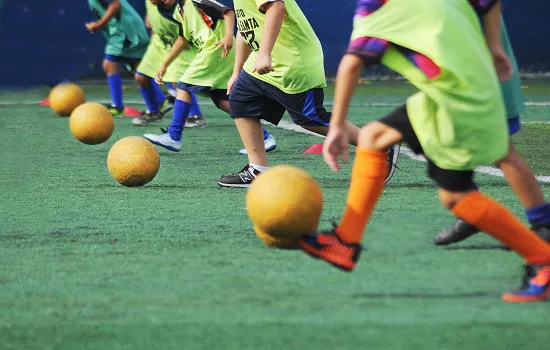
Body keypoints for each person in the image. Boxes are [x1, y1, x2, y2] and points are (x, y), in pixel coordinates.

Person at [299, 0, 550, 302]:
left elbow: (353, 63)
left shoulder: (375, 5)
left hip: (458, 102)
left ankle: (543, 260)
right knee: (373, 137)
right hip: (459, 90)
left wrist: (336, 126)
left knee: (456, 197)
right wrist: (495, 47)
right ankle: (345, 242)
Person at [215, 0, 373, 188]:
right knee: (240, 99)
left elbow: (277, 7)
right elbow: (245, 27)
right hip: (266, 61)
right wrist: (236, 72)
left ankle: (376, 144)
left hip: (293, 60)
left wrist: (265, 53)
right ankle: (257, 169)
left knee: (310, 119)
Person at [433, 15, 550, 246]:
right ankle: (472, 210)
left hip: (477, 69)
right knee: (449, 140)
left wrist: (493, 49)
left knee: (500, 149)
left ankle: (542, 225)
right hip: (457, 66)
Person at [145, 0, 276, 154]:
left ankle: (174, 136)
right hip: (215, 54)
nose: (165, 1)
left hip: (216, 50)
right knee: (221, 100)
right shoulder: (179, 11)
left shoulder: (197, 1)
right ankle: (264, 138)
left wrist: (228, 35)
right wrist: (164, 65)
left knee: (183, 86)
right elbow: (182, 40)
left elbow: (228, 12)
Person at [131, 0, 203, 127]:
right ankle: (154, 112)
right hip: (159, 43)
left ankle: (196, 117)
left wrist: (165, 63)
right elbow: (154, 23)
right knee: (140, 77)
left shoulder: (182, 8)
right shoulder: (150, 3)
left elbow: (184, 39)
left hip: (180, 46)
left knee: (179, 82)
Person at [86, 0, 149, 116]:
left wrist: (99, 25)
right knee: (137, 69)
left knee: (110, 64)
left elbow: (115, 4)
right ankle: (159, 101)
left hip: (126, 31)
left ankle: (117, 105)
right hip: (126, 29)